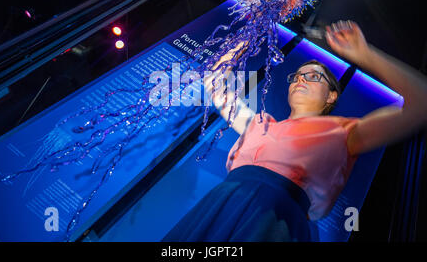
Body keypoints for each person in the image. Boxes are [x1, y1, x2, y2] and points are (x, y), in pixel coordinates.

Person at [161, 20, 427, 242]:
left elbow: (422, 104)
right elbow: (214, 81)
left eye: (313, 76)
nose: (301, 80)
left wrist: (365, 54)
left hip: (279, 223)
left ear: (331, 96)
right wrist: (249, 36)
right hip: (222, 206)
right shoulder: (259, 125)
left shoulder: (346, 133)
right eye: (297, 76)